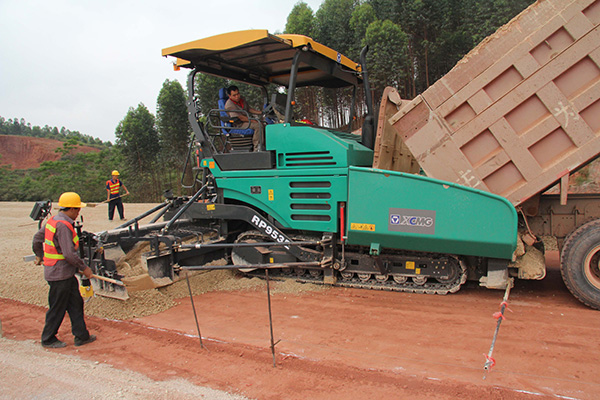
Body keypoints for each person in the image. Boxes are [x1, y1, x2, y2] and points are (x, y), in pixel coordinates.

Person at [32, 192, 96, 348]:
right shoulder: (63, 225)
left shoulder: (53, 221)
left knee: (75, 303)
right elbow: (68, 253)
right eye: (78, 210)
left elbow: (37, 239)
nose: (78, 213)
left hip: (63, 274)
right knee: (57, 307)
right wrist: (85, 268)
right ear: (73, 209)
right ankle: (48, 338)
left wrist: (40, 255)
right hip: (59, 275)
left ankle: (81, 335)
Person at [224, 85, 264, 151]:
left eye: (238, 94)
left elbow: (249, 109)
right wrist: (253, 120)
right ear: (229, 96)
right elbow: (240, 117)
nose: (237, 97)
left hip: (246, 121)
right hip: (239, 124)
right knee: (258, 125)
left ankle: (265, 146)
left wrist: (261, 112)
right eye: (234, 95)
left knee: (264, 124)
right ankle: (257, 148)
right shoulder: (229, 105)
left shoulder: (241, 99)